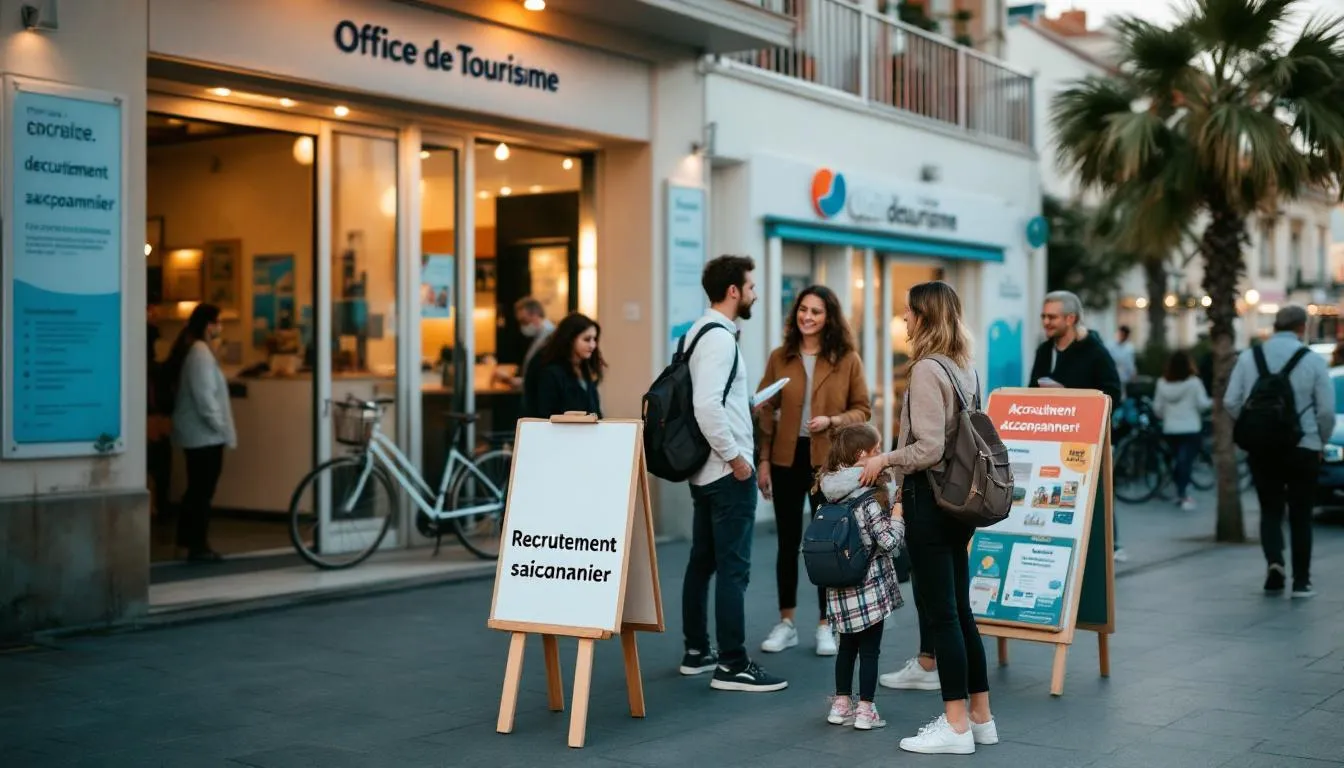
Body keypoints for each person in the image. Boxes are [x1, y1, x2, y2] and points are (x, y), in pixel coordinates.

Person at [860, 280, 997, 755]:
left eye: (908, 312)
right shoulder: (966, 368)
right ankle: (981, 717)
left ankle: (955, 726)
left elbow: (929, 448)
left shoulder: (924, 371)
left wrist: (883, 461)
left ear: (925, 317)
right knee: (960, 612)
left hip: (929, 501)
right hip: (959, 505)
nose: (903, 319)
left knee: (942, 616)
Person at [678, 254, 787, 693]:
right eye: (752, 286)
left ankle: (696, 652)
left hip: (706, 472)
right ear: (734, 291)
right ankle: (732, 664)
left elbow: (711, 402)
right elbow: (706, 405)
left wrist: (745, 407)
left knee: (702, 562)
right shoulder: (720, 339)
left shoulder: (696, 333)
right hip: (726, 472)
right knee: (732, 570)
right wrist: (738, 458)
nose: (755, 294)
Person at [755, 285, 871, 657]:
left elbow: (863, 410)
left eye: (816, 311)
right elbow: (765, 414)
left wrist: (834, 420)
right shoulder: (780, 357)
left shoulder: (847, 358)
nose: (807, 316)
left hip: (827, 461)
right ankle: (786, 622)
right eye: (803, 309)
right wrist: (763, 459)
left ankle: (826, 624)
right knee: (787, 544)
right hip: (787, 459)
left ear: (828, 317)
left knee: (826, 544)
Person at [1224, 304, 1334, 598]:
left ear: (1275, 326)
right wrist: (1320, 441)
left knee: (1270, 509)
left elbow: (1231, 401)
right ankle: (1302, 581)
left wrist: (1253, 427)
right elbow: (1325, 410)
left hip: (1263, 448)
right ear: (1302, 327)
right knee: (1301, 513)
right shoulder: (1311, 361)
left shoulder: (1250, 357)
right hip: (1304, 446)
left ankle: (1275, 563)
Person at [818, 423, 905, 731]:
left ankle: (841, 705)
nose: (881, 455)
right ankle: (866, 710)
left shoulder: (829, 493)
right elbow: (889, 542)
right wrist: (897, 515)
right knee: (870, 651)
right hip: (869, 586)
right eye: (876, 450)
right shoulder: (869, 498)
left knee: (846, 648)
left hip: (839, 587)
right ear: (860, 455)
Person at [1029, 290, 1125, 561]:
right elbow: (1030, 388)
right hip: (1050, 440)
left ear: (1070, 318)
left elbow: (1112, 392)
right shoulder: (1044, 350)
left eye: (1052, 317)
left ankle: (1107, 546)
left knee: (1095, 494)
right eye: (1044, 316)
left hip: (1087, 440)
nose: (1046, 322)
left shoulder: (1094, 350)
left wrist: (1071, 394)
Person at [164, 303, 235, 562]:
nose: (220, 327)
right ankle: (197, 545)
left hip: (201, 434)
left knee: (197, 489)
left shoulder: (197, 350)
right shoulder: (200, 353)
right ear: (208, 324)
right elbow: (205, 398)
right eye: (218, 322)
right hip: (204, 435)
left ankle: (188, 542)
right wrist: (222, 428)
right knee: (202, 491)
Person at [1152, 349, 1211, 511]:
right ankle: (1183, 493)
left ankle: (1180, 491)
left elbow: (1157, 408)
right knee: (1186, 462)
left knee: (1178, 460)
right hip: (1191, 428)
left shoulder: (1162, 383)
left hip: (1170, 429)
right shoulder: (1194, 383)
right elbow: (1203, 404)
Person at [523, 313, 605, 419]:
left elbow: (595, 411)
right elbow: (547, 416)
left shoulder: (585, 369)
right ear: (571, 339)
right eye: (587, 339)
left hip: (587, 433)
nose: (592, 345)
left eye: (594, 339)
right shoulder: (551, 373)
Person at [495, 297, 554, 391]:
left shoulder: (550, 338)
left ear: (535, 315)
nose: (522, 326)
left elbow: (546, 376)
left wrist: (518, 382)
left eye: (524, 321)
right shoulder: (540, 337)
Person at [1108, 325, 1138, 397]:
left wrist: (1133, 375)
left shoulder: (1129, 348)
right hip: (1112, 378)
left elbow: (1130, 364)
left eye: (1124, 335)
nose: (1121, 336)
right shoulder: (1109, 345)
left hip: (1125, 379)